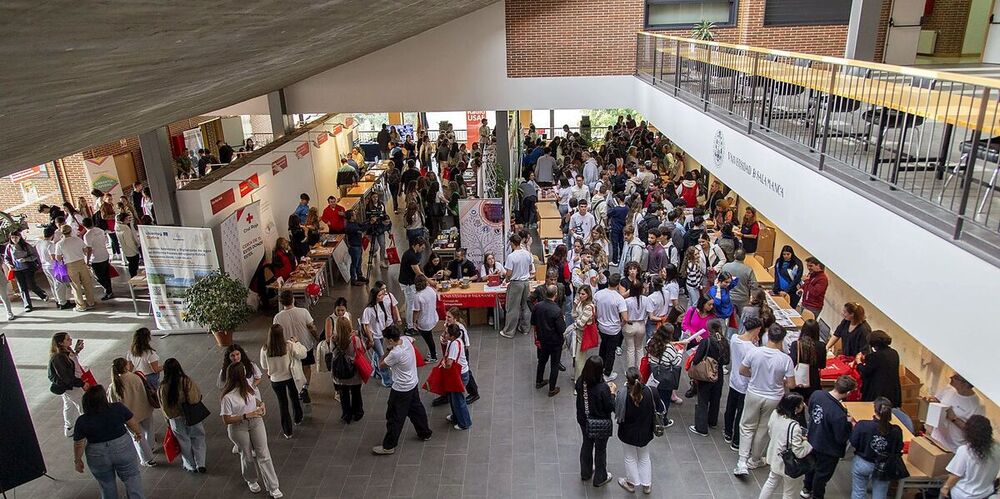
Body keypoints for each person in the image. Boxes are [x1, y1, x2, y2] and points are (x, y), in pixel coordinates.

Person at [733, 324, 796, 475]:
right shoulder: (786, 359)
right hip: (774, 397)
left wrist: (754, 376)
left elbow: (742, 370)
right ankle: (755, 459)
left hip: (754, 392)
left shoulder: (755, 352)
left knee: (747, 425)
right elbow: (791, 384)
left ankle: (742, 461)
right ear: (782, 339)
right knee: (763, 428)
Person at [72, 384, 146, 499]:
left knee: (106, 485)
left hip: (97, 454)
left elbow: (79, 444)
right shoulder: (117, 408)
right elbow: (132, 422)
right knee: (132, 479)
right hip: (122, 447)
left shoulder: (82, 420)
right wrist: (137, 433)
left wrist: (78, 460)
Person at [220, 363, 282, 498]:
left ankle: (273, 486)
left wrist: (261, 404)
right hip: (238, 426)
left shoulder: (248, 387)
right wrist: (245, 416)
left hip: (256, 421)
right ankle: (251, 480)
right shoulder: (227, 397)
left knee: (263, 453)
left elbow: (255, 399)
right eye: (243, 372)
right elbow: (226, 420)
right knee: (247, 454)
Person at [373, 326, 433, 455]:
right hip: (412, 382)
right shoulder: (405, 339)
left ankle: (389, 446)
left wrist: (388, 351)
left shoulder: (395, 353)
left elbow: (381, 365)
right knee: (416, 410)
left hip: (401, 389)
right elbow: (413, 340)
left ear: (390, 340)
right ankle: (425, 433)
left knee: (394, 416)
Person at [803, 375, 857, 499]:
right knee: (822, 475)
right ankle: (817, 496)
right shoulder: (838, 414)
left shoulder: (817, 395)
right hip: (828, 449)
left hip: (813, 439)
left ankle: (806, 488)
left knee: (810, 468)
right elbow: (841, 437)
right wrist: (849, 425)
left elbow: (811, 411)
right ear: (848, 392)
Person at [758, 393, 812, 499]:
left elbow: (771, 431)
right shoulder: (794, 427)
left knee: (771, 482)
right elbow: (799, 452)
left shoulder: (775, 413)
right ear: (795, 408)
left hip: (774, 456)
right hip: (789, 464)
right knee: (789, 492)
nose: (804, 405)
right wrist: (807, 443)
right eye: (801, 404)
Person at [849, 397, 905, 499]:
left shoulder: (863, 425)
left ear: (875, 410)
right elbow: (898, 448)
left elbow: (853, 442)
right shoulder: (896, 431)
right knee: (880, 494)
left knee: (858, 492)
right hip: (884, 465)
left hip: (863, 462)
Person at [158, 358, 207, 473]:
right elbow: (195, 398)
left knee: (183, 441)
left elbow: (164, 406)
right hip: (191, 415)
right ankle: (201, 463)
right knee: (198, 437)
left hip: (175, 418)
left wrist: (168, 420)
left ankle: (191, 465)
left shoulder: (163, 387)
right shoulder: (186, 381)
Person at [576, 355, 617, 487]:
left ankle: (585, 472)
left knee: (587, 444)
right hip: (600, 423)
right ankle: (600, 477)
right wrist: (612, 393)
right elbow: (611, 406)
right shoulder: (602, 388)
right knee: (600, 449)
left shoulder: (581, 381)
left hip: (584, 419)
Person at [614, 367, 656, 494]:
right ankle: (646, 484)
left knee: (629, 457)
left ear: (627, 380)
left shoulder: (622, 394)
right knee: (644, 457)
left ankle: (631, 483)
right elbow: (658, 407)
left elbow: (616, 410)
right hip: (645, 432)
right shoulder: (650, 391)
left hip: (627, 433)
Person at [260, 324, 307, 438]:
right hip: (290, 377)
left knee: (282, 404)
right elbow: (302, 354)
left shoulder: (265, 349)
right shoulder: (288, 345)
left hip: (276, 380)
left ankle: (287, 431)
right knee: (294, 397)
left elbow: (264, 365)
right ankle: (298, 418)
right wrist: (296, 342)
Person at [109, 357, 156, 466]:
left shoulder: (114, 386)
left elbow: (113, 403)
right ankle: (151, 447)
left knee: (138, 436)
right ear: (126, 366)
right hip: (144, 409)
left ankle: (147, 459)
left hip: (129, 417)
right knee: (149, 430)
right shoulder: (136, 377)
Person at [272, 290, 318, 402]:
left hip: (289, 348)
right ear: (293, 299)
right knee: (306, 367)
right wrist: (317, 338)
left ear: (281, 302)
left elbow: (276, 334)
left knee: (293, 367)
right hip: (305, 345)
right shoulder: (303, 312)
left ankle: (297, 389)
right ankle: (305, 387)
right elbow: (311, 327)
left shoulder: (278, 317)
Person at [724, 317, 762, 452]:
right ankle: (736, 440)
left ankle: (727, 432)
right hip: (745, 385)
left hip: (734, 380)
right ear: (757, 330)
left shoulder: (734, 338)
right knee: (741, 412)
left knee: (730, 408)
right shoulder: (752, 349)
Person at [942, 415, 1000, 499]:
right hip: (985, 494)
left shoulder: (965, 451)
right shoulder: (997, 449)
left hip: (963, 495)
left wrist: (945, 487)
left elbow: (955, 476)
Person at [926, 372, 985, 452]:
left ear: (965, 384)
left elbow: (974, 432)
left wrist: (954, 418)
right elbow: (937, 400)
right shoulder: (949, 389)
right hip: (935, 439)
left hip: (952, 449)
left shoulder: (978, 405)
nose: (951, 378)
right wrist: (932, 401)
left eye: (956, 378)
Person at [360, 282, 401, 388]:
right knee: (382, 356)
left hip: (381, 333)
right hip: (374, 336)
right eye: (379, 295)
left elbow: (385, 318)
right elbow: (366, 325)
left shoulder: (381, 305)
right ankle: (386, 380)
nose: (382, 296)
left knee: (377, 354)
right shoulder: (368, 310)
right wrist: (370, 339)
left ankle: (376, 371)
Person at [689, 318, 725, 437]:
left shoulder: (707, 342)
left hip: (706, 374)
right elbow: (727, 360)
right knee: (716, 398)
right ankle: (712, 421)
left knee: (703, 399)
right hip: (718, 373)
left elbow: (697, 358)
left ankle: (701, 427)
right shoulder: (724, 342)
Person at [49, 332, 87, 437]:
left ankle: (69, 427)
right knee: (82, 404)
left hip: (71, 384)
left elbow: (72, 361)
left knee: (68, 405)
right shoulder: (59, 358)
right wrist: (81, 383)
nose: (70, 339)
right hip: (71, 385)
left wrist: (77, 351)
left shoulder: (67, 351)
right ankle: (87, 427)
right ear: (61, 343)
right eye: (67, 339)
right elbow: (66, 376)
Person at [645, 324, 683, 428]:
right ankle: (662, 420)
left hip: (653, 375)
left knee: (653, 397)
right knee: (664, 399)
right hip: (665, 377)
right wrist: (680, 352)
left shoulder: (651, 342)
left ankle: (650, 417)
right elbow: (676, 362)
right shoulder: (669, 348)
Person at [329, 316, 365, 424]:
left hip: (340, 371)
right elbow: (360, 351)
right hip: (353, 371)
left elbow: (333, 352)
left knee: (343, 394)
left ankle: (346, 415)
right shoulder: (355, 339)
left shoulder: (333, 339)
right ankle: (357, 412)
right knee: (356, 392)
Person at [533, 284, 567, 397]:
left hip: (542, 339)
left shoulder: (537, 306)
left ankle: (539, 381)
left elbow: (533, 322)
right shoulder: (557, 310)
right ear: (555, 295)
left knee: (542, 361)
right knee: (554, 364)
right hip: (555, 342)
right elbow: (562, 329)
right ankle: (552, 389)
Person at [594, 274, 629, 381]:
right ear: (618, 285)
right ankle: (607, 373)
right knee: (610, 352)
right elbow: (625, 318)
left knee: (603, 347)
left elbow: (594, 311)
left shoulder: (598, 294)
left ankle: (599, 368)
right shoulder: (619, 299)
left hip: (601, 327)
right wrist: (620, 325)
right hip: (614, 330)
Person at [500, 233, 534, 339]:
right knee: (526, 307)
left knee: (512, 308)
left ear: (512, 244)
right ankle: (525, 328)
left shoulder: (511, 256)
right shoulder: (527, 254)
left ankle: (509, 331)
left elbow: (509, 273)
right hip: (526, 282)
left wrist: (505, 280)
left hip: (516, 284)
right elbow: (529, 268)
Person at [856, 330, 901, 407]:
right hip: (893, 390)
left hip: (878, 391)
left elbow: (865, 372)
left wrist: (858, 362)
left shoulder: (874, 356)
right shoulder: (894, 353)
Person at [4, 230, 47, 311]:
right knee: (22, 287)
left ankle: (42, 295)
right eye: (12, 237)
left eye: (16, 237)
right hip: (17, 270)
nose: (14, 239)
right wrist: (9, 265)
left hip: (28, 268)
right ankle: (27, 305)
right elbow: (7, 258)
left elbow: (34, 256)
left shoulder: (26, 246)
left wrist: (25, 259)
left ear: (20, 237)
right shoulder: (9, 247)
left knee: (31, 285)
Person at [789, 319, 827, 403]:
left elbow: (792, 362)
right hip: (814, 381)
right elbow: (822, 365)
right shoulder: (821, 346)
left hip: (798, 380)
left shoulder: (796, 344)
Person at [442, 324, 472, 430]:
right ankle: (456, 417)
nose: (444, 334)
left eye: (446, 333)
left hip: (459, 375)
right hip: (460, 374)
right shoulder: (456, 341)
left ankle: (464, 422)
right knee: (453, 397)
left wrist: (444, 365)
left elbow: (449, 363)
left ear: (452, 336)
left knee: (458, 400)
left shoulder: (454, 345)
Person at [81, 218, 114, 300]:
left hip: (96, 258)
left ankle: (108, 290)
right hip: (104, 254)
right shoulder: (100, 230)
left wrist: (87, 261)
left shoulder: (87, 235)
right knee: (106, 275)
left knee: (98, 277)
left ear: (83, 225)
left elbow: (89, 249)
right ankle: (109, 290)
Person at [399, 237, 426, 331]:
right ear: (417, 245)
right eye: (422, 248)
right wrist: (429, 281)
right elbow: (418, 272)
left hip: (405, 281)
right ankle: (410, 327)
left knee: (408, 303)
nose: (422, 250)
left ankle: (408, 323)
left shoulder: (409, 253)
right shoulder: (411, 256)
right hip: (407, 283)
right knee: (411, 304)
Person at [411, 275, 440, 361]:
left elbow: (416, 311)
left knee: (428, 339)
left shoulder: (418, 296)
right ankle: (432, 352)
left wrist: (414, 322)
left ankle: (433, 356)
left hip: (424, 321)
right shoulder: (430, 290)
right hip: (433, 316)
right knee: (430, 337)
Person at [622, 281, 649, 370]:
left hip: (630, 325)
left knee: (630, 349)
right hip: (641, 325)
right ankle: (640, 369)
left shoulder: (627, 301)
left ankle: (630, 370)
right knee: (639, 348)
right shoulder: (646, 299)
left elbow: (624, 316)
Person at [720, 249, 757, 314]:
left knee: (727, 318)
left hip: (728, 297)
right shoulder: (748, 270)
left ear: (734, 255)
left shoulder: (725, 266)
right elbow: (754, 285)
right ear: (744, 257)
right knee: (742, 318)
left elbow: (719, 280)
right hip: (742, 299)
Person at [115, 212, 141, 278]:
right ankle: (134, 278)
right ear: (122, 220)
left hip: (128, 250)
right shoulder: (125, 229)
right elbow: (129, 242)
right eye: (127, 218)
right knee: (133, 265)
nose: (129, 220)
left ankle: (134, 277)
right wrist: (136, 249)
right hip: (131, 250)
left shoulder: (121, 226)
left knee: (133, 265)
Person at [344, 211, 365, 285]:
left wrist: (369, 221)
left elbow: (361, 225)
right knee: (354, 263)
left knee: (359, 262)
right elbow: (361, 229)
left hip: (358, 245)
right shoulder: (350, 226)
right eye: (354, 214)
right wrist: (370, 224)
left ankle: (359, 276)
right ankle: (354, 279)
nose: (356, 215)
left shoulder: (354, 222)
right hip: (354, 247)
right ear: (351, 217)